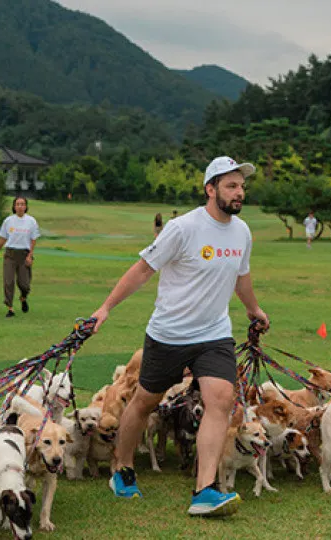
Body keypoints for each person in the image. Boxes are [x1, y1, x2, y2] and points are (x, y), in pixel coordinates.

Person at [89, 156, 269, 517]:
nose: (239, 193)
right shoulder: (182, 228)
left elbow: (241, 277)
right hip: (169, 334)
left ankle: (205, 490)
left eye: (242, 186)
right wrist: (104, 308)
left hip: (215, 334)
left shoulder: (242, 232)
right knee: (144, 402)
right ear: (210, 189)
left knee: (220, 400)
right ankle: (122, 468)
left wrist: (253, 310)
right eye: (231, 185)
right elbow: (142, 271)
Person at [0, 196, 40, 318]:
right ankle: (10, 307)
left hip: (24, 254)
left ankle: (23, 298)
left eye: (22, 204)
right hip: (10, 254)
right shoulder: (8, 221)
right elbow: (3, 238)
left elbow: (33, 240)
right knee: (8, 281)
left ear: (26, 206)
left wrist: (30, 255)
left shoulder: (31, 221)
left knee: (24, 284)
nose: (20, 206)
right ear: (14, 206)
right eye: (17, 204)